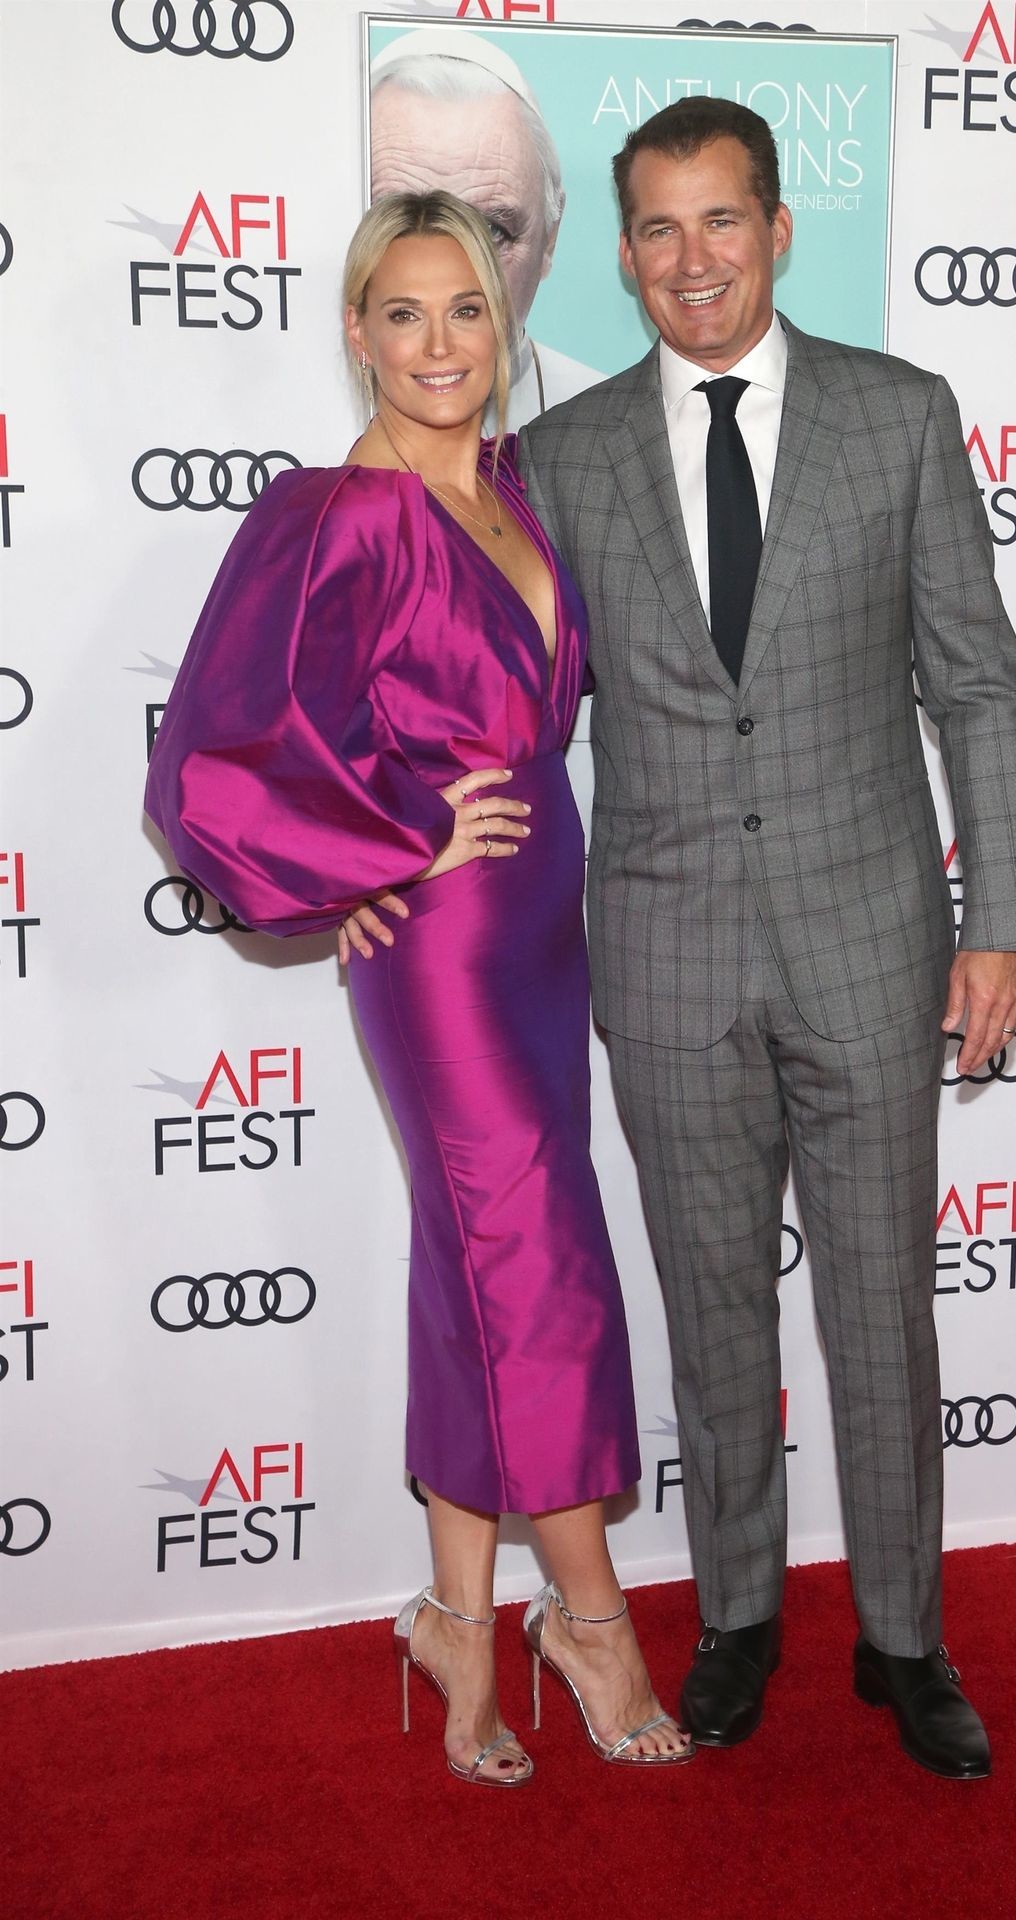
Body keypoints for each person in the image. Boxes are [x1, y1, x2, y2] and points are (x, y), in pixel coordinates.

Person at [514, 98, 1016, 1780]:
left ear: (777, 228)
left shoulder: (898, 416)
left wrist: (1000, 922)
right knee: (710, 1307)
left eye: (721, 220)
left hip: (872, 940)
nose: (694, 261)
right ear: (622, 253)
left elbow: (975, 685)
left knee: (881, 1309)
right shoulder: (561, 458)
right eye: (659, 229)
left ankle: (905, 1639)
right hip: (664, 953)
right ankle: (736, 1616)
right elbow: (500, 709)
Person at [145, 190, 691, 1784]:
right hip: (442, 944)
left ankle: (458, 1616)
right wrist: (384, 845)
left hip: (543, 923)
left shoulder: (519, 485)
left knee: (477, 1262)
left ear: (501, 324)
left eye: (466, 309)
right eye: (403, 312)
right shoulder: (329, 516)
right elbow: (205, 764)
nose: (439, 343)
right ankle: (590, 1621)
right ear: (356, 330)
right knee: (534, 1254)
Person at [369, 29, 601, 428]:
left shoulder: (611, 425)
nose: (447, 277)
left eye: (492, 230)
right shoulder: (289, 412)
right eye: (402, 225)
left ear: (550, 237)